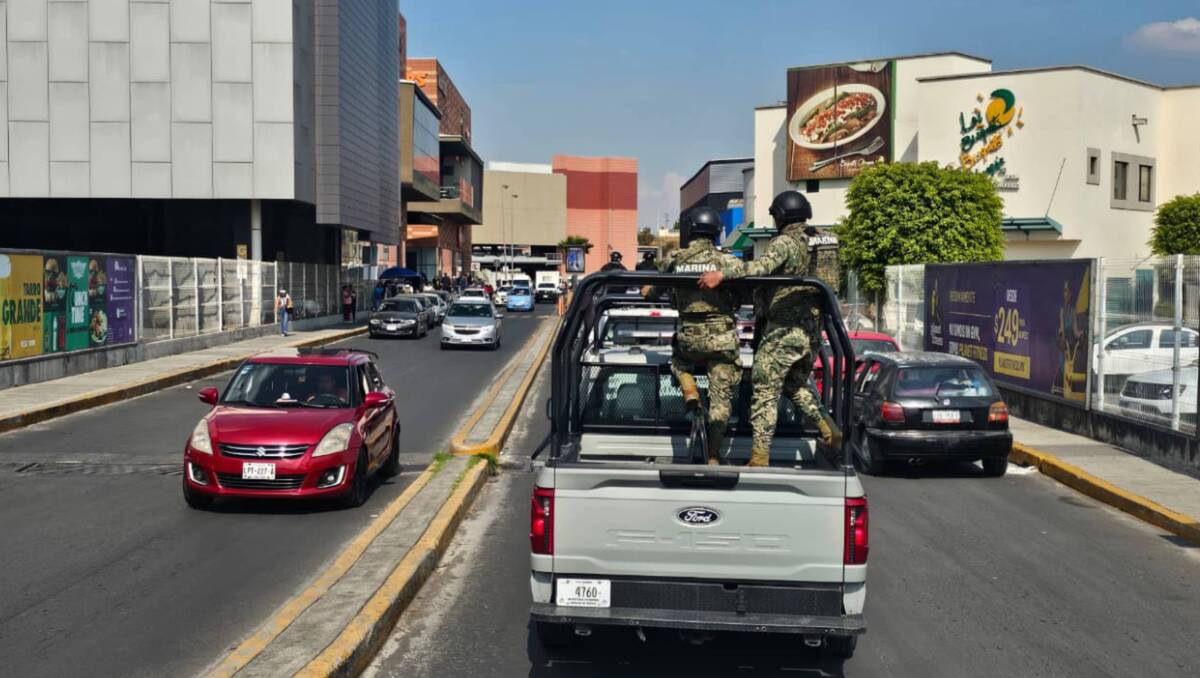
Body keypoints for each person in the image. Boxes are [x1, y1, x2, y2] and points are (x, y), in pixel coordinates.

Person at [698, 190, 841, 467]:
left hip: (783, 330)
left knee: (764, 392)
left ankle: (760, 457)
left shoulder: (786, 242)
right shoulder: (826, 239)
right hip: (811, 330)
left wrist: (722, 275)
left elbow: (761, 267)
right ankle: (828, 428)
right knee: (795, 384)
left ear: (780, 215)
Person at [643, 207, 742, 465]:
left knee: (678, 361)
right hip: (722, 340)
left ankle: (690, 390)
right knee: (721, 400)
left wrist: (646, 291)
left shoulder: (676, 259)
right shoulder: (727, 261)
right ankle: (713, 455)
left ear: (691, 230)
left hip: (690, 337)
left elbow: (654, 291)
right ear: (716, 232)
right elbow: (745, 284)